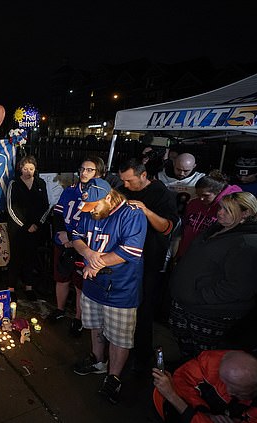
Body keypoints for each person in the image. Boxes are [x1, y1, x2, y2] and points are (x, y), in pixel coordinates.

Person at [71, 178, 147, 404]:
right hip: (93, 284)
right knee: (94, 324)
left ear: (108, 197)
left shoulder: (131, 214)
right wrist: (88, 253)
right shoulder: (89, 210)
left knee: (119, 336)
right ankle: (97, 360)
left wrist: (97, 262)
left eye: (94, 206)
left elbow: (130, 251)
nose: (90, 211)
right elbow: (75, 236)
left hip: (121, 288)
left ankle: (113, 377)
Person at [168, 192, 257, 359]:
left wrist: (198, 297)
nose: (220, 212)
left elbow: (239, 287)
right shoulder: (217, 229)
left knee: (206, 361)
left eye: (227, 210)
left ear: (245, 214)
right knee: (187, 357)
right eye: (221, 207)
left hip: (209, 314)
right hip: (187, 305)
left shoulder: (248, 243)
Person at [118, 158, 179, 371]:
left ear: (143, 176)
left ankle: (142, 358)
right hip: (123, 259)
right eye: (123, 181)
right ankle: (119, 350)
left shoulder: (162, 194)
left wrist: (145, 210)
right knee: (123, 306)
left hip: (149, 260)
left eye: (130, 180)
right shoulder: (122, 189)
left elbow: (167, 227)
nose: (126, 185)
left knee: (143, 310)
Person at [49, 156, 106, 338]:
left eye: (89, 170)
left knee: (80, 283)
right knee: (61, 277)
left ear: (99, 173)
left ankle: (78, 318)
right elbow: (58, 214)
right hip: (64, 241)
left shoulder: (101, 194)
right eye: (82, 169)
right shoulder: (70, 190)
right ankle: (59, 309)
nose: (84, 173)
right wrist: (60, 234)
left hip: (84, 245)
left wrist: (76, 239)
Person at [152, 350, 257, 422]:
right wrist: (204, 413)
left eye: (240, 391)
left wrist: (173, 397)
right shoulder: (216, 361)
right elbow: (182, 378)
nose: (229, 391)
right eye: (226, 383)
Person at [6, 154, 51, 301]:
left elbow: (46, 205)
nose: (28, 171)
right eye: (25, 168)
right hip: (18, 229)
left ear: (35, 169)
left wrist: (37, 224)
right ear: (20, 168)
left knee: (31, 257)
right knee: (16, 257)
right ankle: (11, 287)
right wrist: (26, 226)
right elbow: (11, 208)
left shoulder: (40, 183)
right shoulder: (14, 183)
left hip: (35, 229)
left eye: (31, 168)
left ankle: (29, 287)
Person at [175, 170, 241, 260]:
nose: (201, 199)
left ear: (218, 191)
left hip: (208, 258)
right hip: (186, 254)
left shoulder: (228, 210)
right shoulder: (194, 204)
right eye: (198, 195)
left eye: (206, 195)